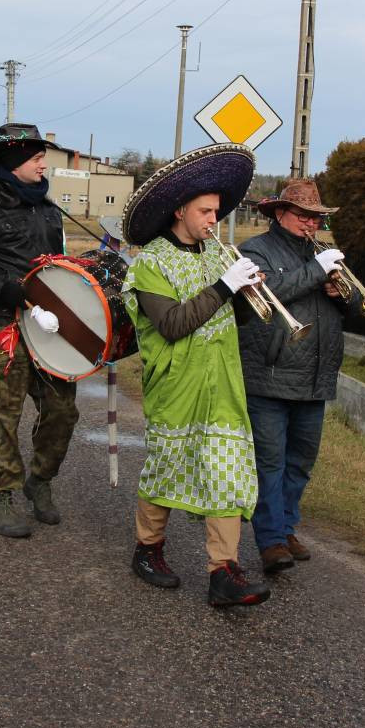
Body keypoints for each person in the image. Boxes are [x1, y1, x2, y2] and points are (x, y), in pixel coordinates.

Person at [119, 143, 271, 607]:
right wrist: (225, 287)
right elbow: (173, 324)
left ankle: (223, 571)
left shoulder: (217, 255)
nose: (213, 219)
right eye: (205, 211)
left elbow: (234, 319)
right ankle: (148, 550)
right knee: (167, 470)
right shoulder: (150, 264)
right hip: (176, 384)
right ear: (180, 210)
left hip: (223, 382)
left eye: (217, 211)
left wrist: (247, 293)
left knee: (229, 473)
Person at [0, 123, 80, 538]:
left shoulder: (49, 209)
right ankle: (0, 498)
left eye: (44, 155)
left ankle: (39, 481)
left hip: (51, 328)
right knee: (5, 416)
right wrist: (8, 288)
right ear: (12, 163)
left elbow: (56, 267)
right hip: (5, 326)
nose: (44, 162)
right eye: (36, 156)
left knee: (63, 410)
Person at [237, 178, 352, 575]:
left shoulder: (322, 253)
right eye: (303, 216)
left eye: (316, 218)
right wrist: (315, 272)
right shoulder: (255, 250)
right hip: (269, 374)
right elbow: (268, 294)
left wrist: (344, 295)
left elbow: (345, 307)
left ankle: (285, 529)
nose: (311, 224)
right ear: (280, 214)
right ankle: (269, 541)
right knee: (269, 462)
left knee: (300, 462)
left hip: (316, 376)